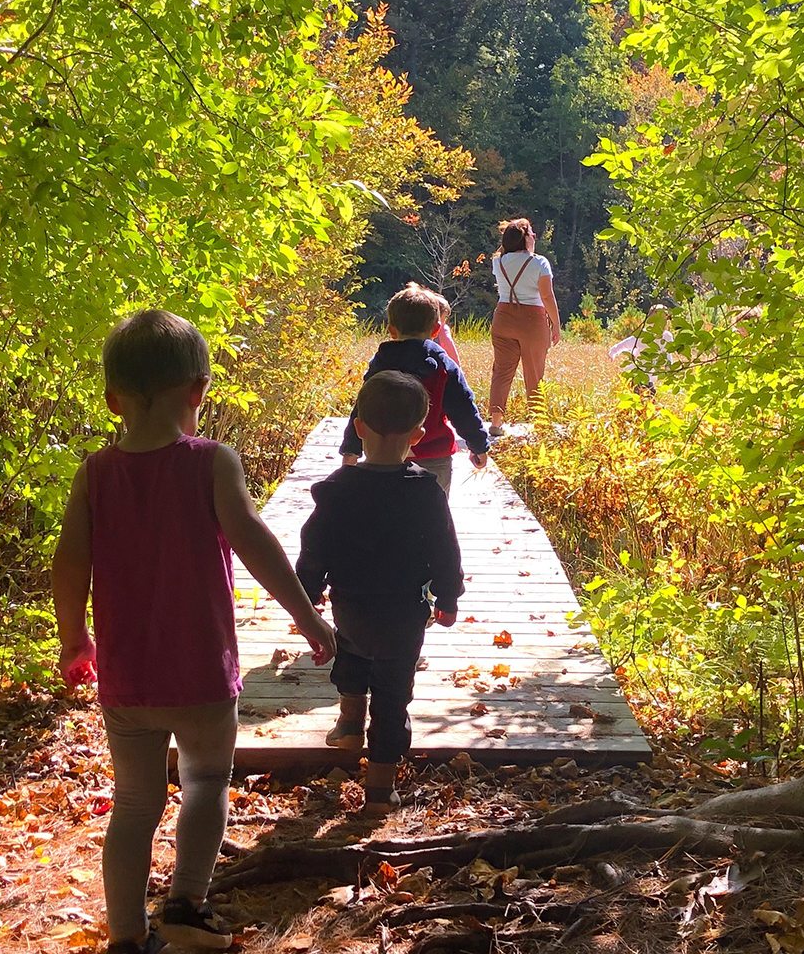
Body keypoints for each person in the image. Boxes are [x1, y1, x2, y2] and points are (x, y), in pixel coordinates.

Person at [51, 310, 337, 954]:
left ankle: (126, 933)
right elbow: (255, 542)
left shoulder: (95, 473)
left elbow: (69, 562)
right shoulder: (211, 462)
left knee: (133, 802)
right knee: (206, 781)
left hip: (127, 679)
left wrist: (75, 639)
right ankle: (186, 904)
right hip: (203, 673)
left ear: (111, 398)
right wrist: (306, 615)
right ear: (198, 391)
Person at [297, 371, 464, 808]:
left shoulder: (335, 490)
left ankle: (349, 725)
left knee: (351, 654)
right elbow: (446, 550)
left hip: (350, 606)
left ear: (358, 428)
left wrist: (308, 598)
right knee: (392, 695)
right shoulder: (426, 491)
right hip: (404, 612)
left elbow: (314, 550)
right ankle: (379, 791)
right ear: (418, 434)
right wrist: (448, 598)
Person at [339, 284, 491, 491]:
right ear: (436, 329)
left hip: (384, 456)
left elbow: (363, 408)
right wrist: (478, 445)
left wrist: (351, 449)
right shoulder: (444, 367)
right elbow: (463, 408)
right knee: (434, 515)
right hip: (434, 455)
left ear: (391, 331)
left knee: (387, 511)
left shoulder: (382, 364)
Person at [486, 217, 562, 435]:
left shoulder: (497, 262)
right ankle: (539, 422)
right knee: (534, 371)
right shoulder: (540, 263)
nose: (534, 237)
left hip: (503, 316)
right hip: (532, 319)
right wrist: (555, 324)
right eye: (531, 234)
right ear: (525, 238)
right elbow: (547, 296)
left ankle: (496, 422)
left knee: (501, 370)